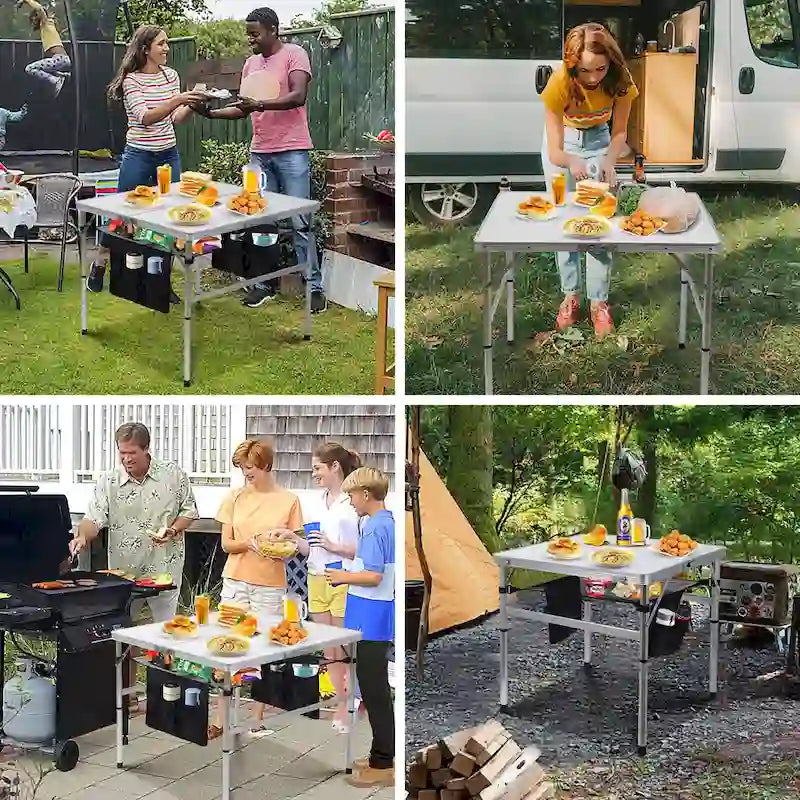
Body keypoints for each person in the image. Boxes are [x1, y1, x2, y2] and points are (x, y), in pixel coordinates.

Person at [192, 7, 326, 313]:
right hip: (260, 152)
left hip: (292, 150)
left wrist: (260, 103)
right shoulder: (251, 64)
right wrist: (210, 113)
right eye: (248, 33)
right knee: (261, 222)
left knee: (300, 221)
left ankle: (314, 288)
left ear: (273, 30)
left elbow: (298, 96)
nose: (250, 39)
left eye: (255, 33)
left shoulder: (295, 54)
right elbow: (243, 108)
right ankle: (264, 284)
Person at [69, 422, 198, 712]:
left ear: (146, 449)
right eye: (122, 453)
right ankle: (127, 698)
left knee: (166, 634)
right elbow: (94, 519)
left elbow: (189, 511)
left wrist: (174, 530)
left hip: (164, 569)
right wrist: (82, 537)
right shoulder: (109, 481)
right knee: (126, 635)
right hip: (124, 575)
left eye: (132, 453)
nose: (126, 459)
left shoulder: (172, 474)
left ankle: (167, 696)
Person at [86, 25, 205, 298]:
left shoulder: (170, 76)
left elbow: (174, 119)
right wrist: (179, 99)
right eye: (161, 44)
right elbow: (145, 117)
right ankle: (100, 264)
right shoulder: (132, 81)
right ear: (145, 49)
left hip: (168, 154)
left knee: (170, 218)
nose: (167, 48)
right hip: (139, 155)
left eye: (167, 43)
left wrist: (193, 105)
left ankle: (162, 281)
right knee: (121, 214)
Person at [540, 22, 638, 339]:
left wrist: (609, 160)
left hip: (599, 141)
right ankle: (571, 296)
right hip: (562, 146)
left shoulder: (621, 80)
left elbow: (620, 133)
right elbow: (555, 151)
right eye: (585, 71)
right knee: (563, 217)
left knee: (598, 221)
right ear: (572, 67)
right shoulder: (557, 85)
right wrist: (571, 161)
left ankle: (599, 302)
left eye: (600, 68)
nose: (594, 78)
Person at [214, 438, 306, 732]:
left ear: (266, 465)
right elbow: (226, 544)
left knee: (262, 649)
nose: (246, 473)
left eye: (250, 467)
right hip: (235, 581)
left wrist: (282, 543)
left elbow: (295, 545)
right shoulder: (234, 498)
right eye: (242, 468)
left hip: (269, 584)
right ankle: (221, 720)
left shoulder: (289, 500)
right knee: (228, 646)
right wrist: (250, 544)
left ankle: (255, 719)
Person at [325, 467, 394, 788]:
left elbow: (375, 576)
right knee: (371, 687)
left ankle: (384, 762)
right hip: (366, 615)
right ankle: (380, 753)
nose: (350, 501)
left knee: (375, 690)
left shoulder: (379, 527)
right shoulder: (376, 523)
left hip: (373, 618)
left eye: (352, 495)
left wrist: (343, 577)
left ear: (366, 494)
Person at [307, 442, 361, 732]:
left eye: (317, 468)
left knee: (344, 644)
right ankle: (341, 700)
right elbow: (310, 546)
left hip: (342, 577)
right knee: (329, 648)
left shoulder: (352, 503)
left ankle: (348, 703)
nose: (313, 473)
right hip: (315, 575)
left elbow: (361, 550)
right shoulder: (317, 500)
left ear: (334, 467)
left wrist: (334, 546)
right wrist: (292, 543)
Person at [16, 0, 72, 99]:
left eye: (35, 16)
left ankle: (56, 80)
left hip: (60, 58)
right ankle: (62, 75)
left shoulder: (46, 23)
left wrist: (26, 1)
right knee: (44, 69)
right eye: (32, 18)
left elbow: (39, 8)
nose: (34, 19)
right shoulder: (45, 28)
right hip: (61, 59)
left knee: (30, 68)